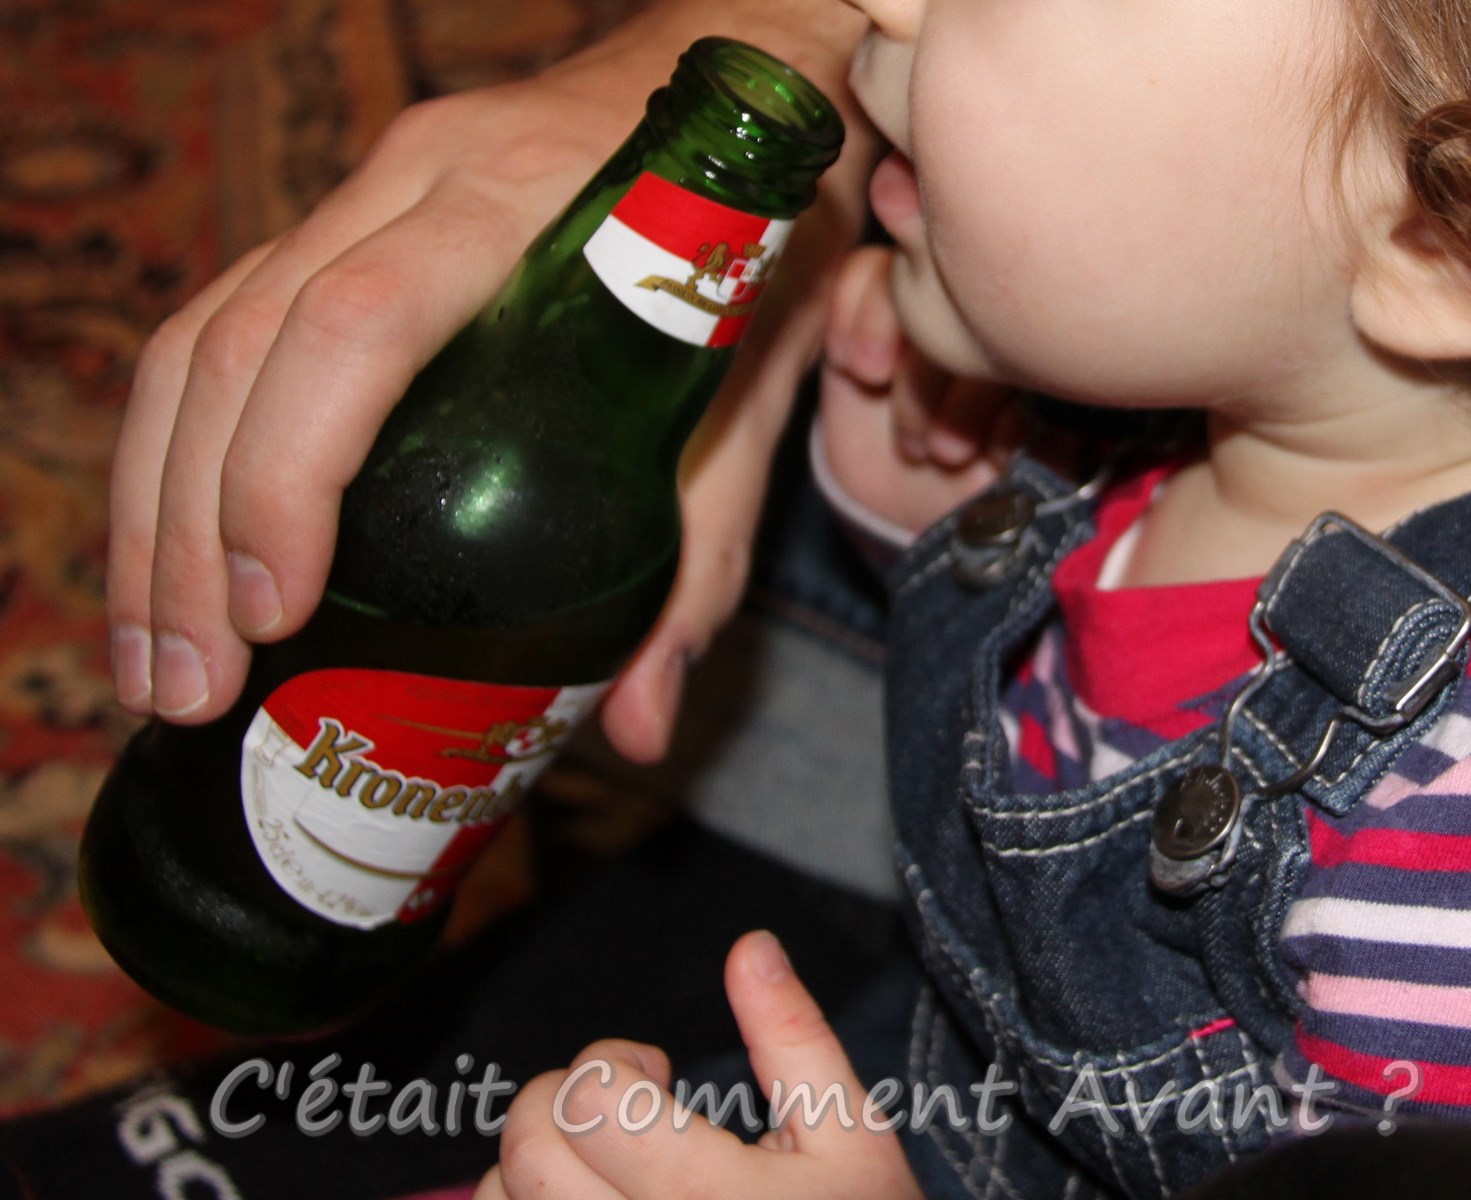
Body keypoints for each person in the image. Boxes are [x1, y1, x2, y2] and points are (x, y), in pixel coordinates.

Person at [104, 0, 1471, 1196]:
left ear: (1431, 248)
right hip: (938, 1062)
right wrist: (924, 514)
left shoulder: (1427, 866)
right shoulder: (1195, 391)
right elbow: (1092, 666)